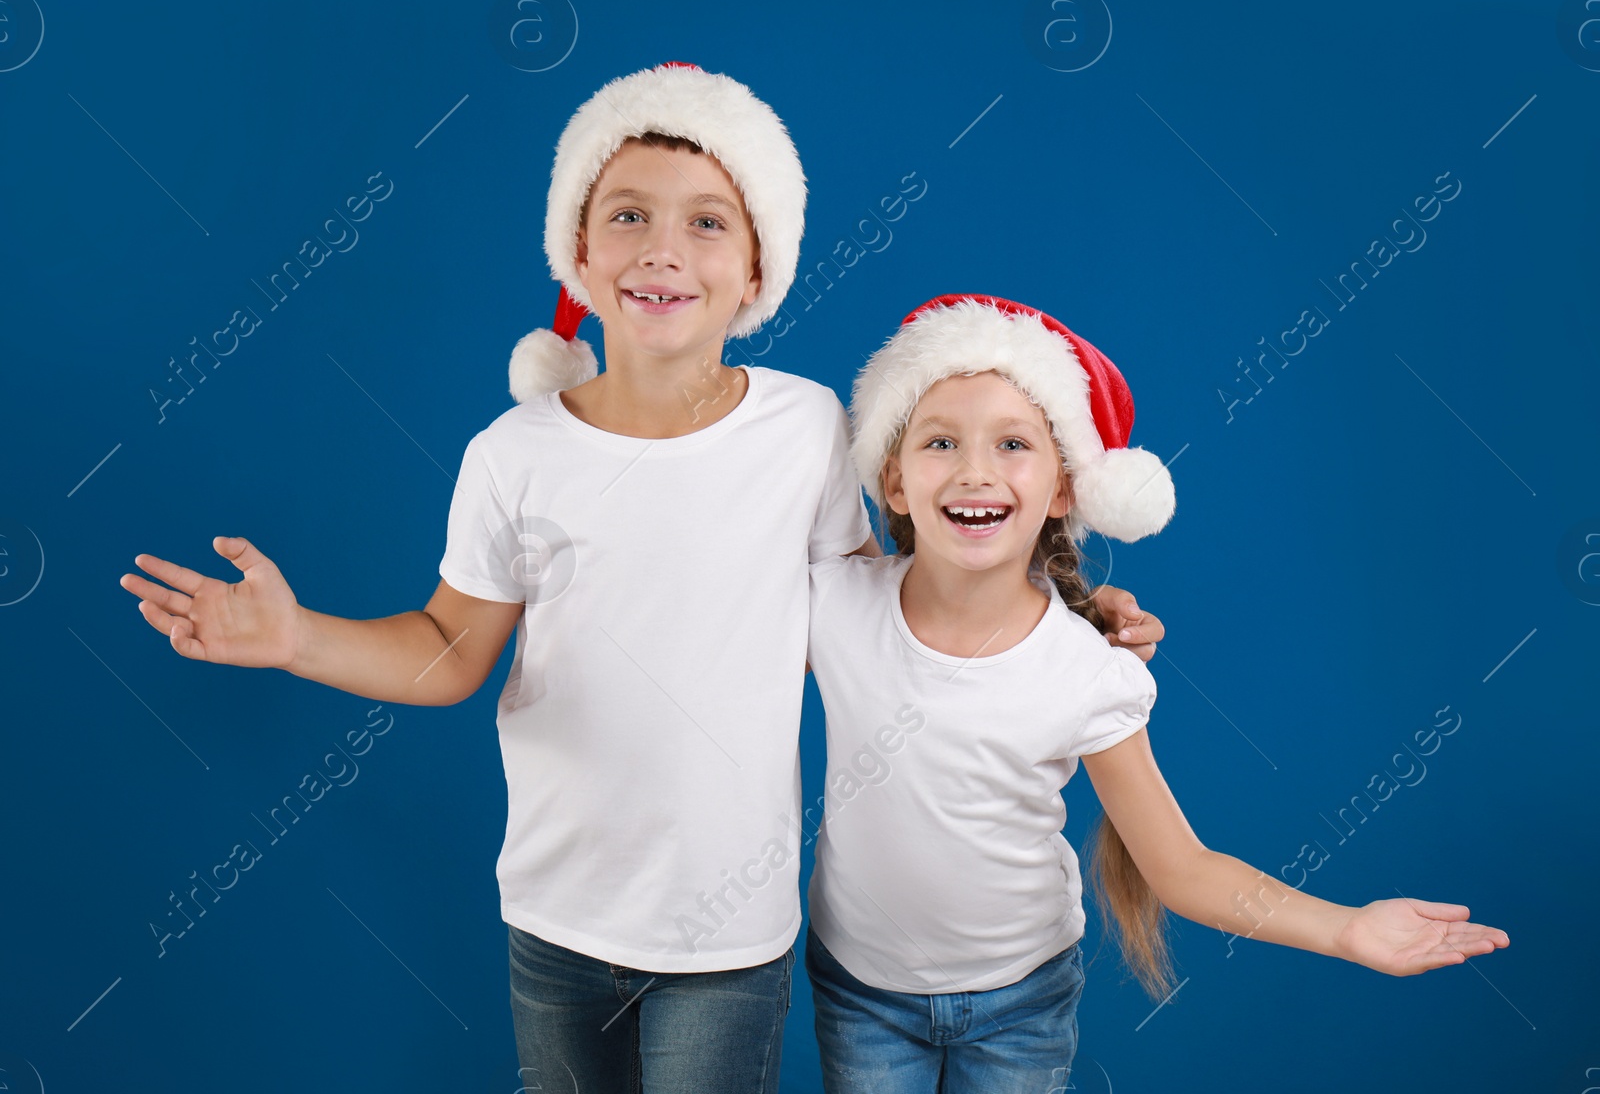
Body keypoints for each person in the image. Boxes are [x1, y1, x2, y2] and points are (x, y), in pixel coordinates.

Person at [119, 68, 1164, 1094]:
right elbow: (448, 651)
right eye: (627, 215)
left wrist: (1059, 613)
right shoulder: (513, 453)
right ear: (577, 254)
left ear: (758, 271)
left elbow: (884, 609)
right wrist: (297, 635)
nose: (664, 247)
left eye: (709, 221)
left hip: (729, 934)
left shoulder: (804, 430)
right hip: (555, 917)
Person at [804, 293, 1509, 1093]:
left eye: (1012, 444)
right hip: (862, 993)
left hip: (1020, 1002)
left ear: (1065, 488)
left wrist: (1348, 931)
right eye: (940, 442)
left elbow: (1182, 869)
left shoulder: (1088, 673)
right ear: (892, 481)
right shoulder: (835, 609)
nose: (975, 471)